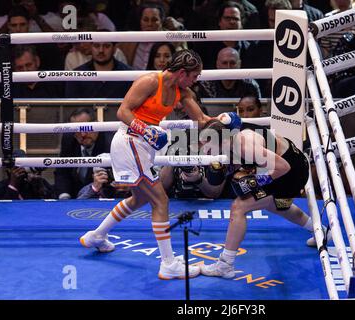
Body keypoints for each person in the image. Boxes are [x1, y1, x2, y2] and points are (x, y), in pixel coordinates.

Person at [79, 49, 241, 280]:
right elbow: (122, 111)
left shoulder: (182, 92)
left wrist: (224, 120)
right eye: (194, 76)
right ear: (183, 72)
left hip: (143, 145)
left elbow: (202, 121)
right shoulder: (149, 81)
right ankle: (168, 264)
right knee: (160, 200)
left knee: (140, 198)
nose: (196, 81)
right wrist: (145, 130)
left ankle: (97, 235)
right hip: (130, 141)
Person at [198, 119, 327, 278]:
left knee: (239, 207)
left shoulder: (246, 147)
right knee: (276, 205)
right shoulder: (230, 136)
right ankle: (320, 231)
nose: (206, 150)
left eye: (209, 146)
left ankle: (225, 265)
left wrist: (257, 181)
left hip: (291, 171)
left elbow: (283, 167)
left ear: (223, 140)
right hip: (290, 162)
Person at [54, 108, 114, 199]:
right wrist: (64, 196)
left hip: (102, 196)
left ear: (96, 125)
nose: (82, 134)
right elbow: (62, 172)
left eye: (86, 129)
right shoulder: (69, 138)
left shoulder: (110, 142)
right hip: (74, 195)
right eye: (77, 130)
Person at [65, 40, 132, 98]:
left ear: (114, 49)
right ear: (91, 48)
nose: (101, 50)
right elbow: (71, 110)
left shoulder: (129, 75)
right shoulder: (76, 76)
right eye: (96, 46)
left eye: (106, 46)